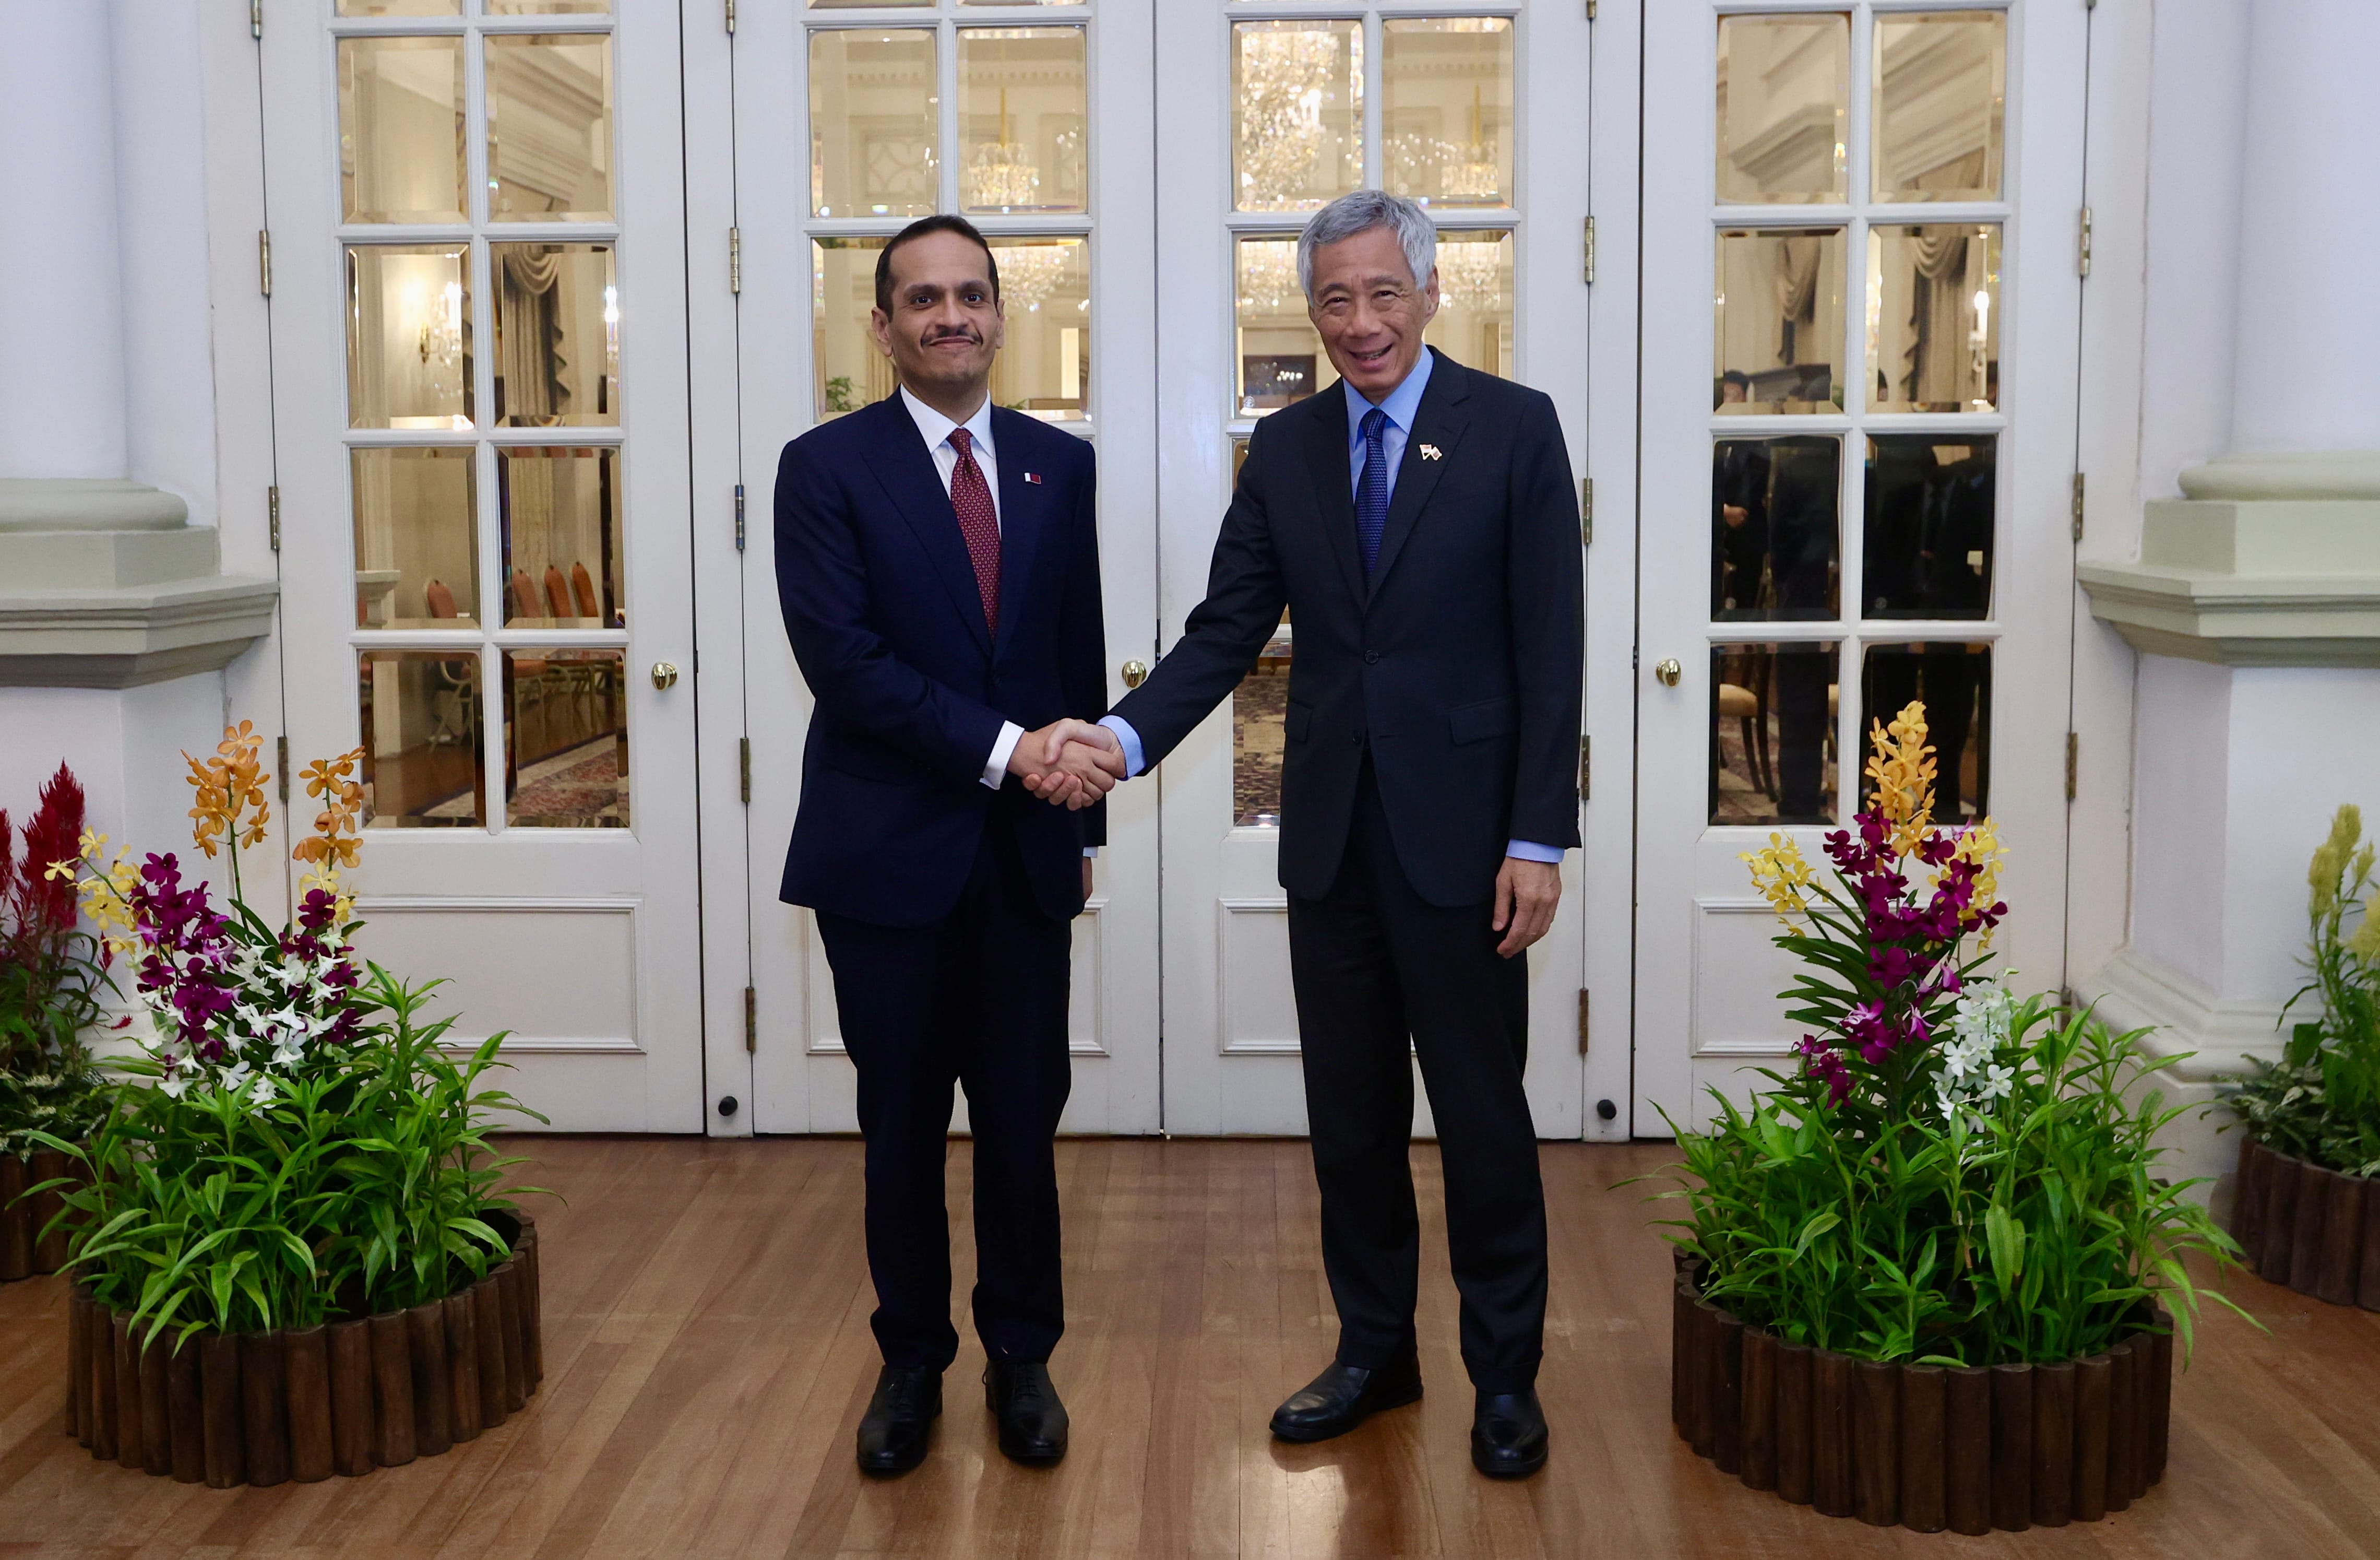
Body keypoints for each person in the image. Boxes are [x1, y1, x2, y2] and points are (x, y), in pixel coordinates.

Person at [1031, 189, 1584, 1478]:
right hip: (1330, 842)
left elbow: (1548, 649)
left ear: (1431, 293)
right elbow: (1229, 631)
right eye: (1334, 299)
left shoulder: (1511, 430)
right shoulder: (1284, 453)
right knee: (1350, 1122)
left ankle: (1505, 1381)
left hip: (1469, 855)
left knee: (1484, 1124)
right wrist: (1119, 740)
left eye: (1384, 293)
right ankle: (1375, 1352)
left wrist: (1538, 838)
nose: (1360, 322)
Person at [772, 213, 1123, 1477]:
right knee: (902, 1124)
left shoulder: (1056, 465)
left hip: (1027, 853)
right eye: (923, 299)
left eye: (971, 295)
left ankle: (1023, 1358)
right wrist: (1008, 749)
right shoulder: (823, 470)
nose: (950, 316)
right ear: (884, 326)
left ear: (998, 314)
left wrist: (1073, 796)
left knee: (1025, 1123)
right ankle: (912, 1360)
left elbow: (1071, 657)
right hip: (885, 859)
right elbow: (847, 667)